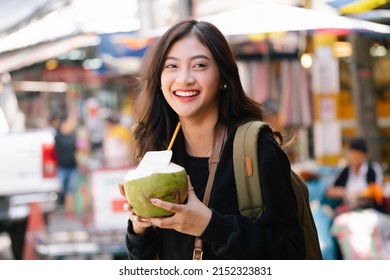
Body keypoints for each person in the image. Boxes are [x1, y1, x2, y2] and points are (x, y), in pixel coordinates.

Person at [121, 18, 305, 260]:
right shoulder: (159, 151)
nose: (184, 79)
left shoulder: (256, 149)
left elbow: (290, 251)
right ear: (159, 79)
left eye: (199, 65)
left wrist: (209, 225)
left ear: (223, 77)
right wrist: (140, 227)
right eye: (171, 66)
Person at [325, 137, 385, 213]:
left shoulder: (372, 169)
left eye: (357, 154)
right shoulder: (344, 170)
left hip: (370, 210)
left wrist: (361, 194)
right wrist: (347, 192)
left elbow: (378, 190)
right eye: (352, 153)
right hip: (347, 210)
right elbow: (329, 191)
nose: (353, 157)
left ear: (364, 155)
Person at [51, 112, 79, 217]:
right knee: (61, 189)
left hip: (72, 167)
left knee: (70, 190)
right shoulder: (57, 137)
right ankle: (58, 209)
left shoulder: (73, 136)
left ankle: (69, 211)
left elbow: (76, 152)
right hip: (61, 167)